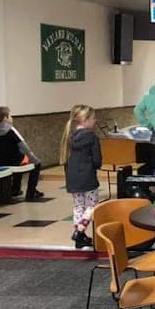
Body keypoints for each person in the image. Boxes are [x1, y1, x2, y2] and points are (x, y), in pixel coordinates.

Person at [60, 105, 102, 249]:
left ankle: (80, 237)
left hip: (72, 177)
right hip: (87, 176)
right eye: (93, 118)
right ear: (85, 119)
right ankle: (80, 230)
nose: (95, 121)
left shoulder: (69, 136)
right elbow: (97, 160)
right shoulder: (92, 137)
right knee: (92, 205)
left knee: (78, 206)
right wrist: (95, 166)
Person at [0, 106, 44, 201]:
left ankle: (15, 190)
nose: (11, 118)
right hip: (15, 161)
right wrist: (35, 160)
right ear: (5, 118)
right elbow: (24, 147)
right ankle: (31, 193)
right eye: (10, 115)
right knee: (35, 164)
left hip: (0, 162)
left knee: (19, 159)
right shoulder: (11, 130)